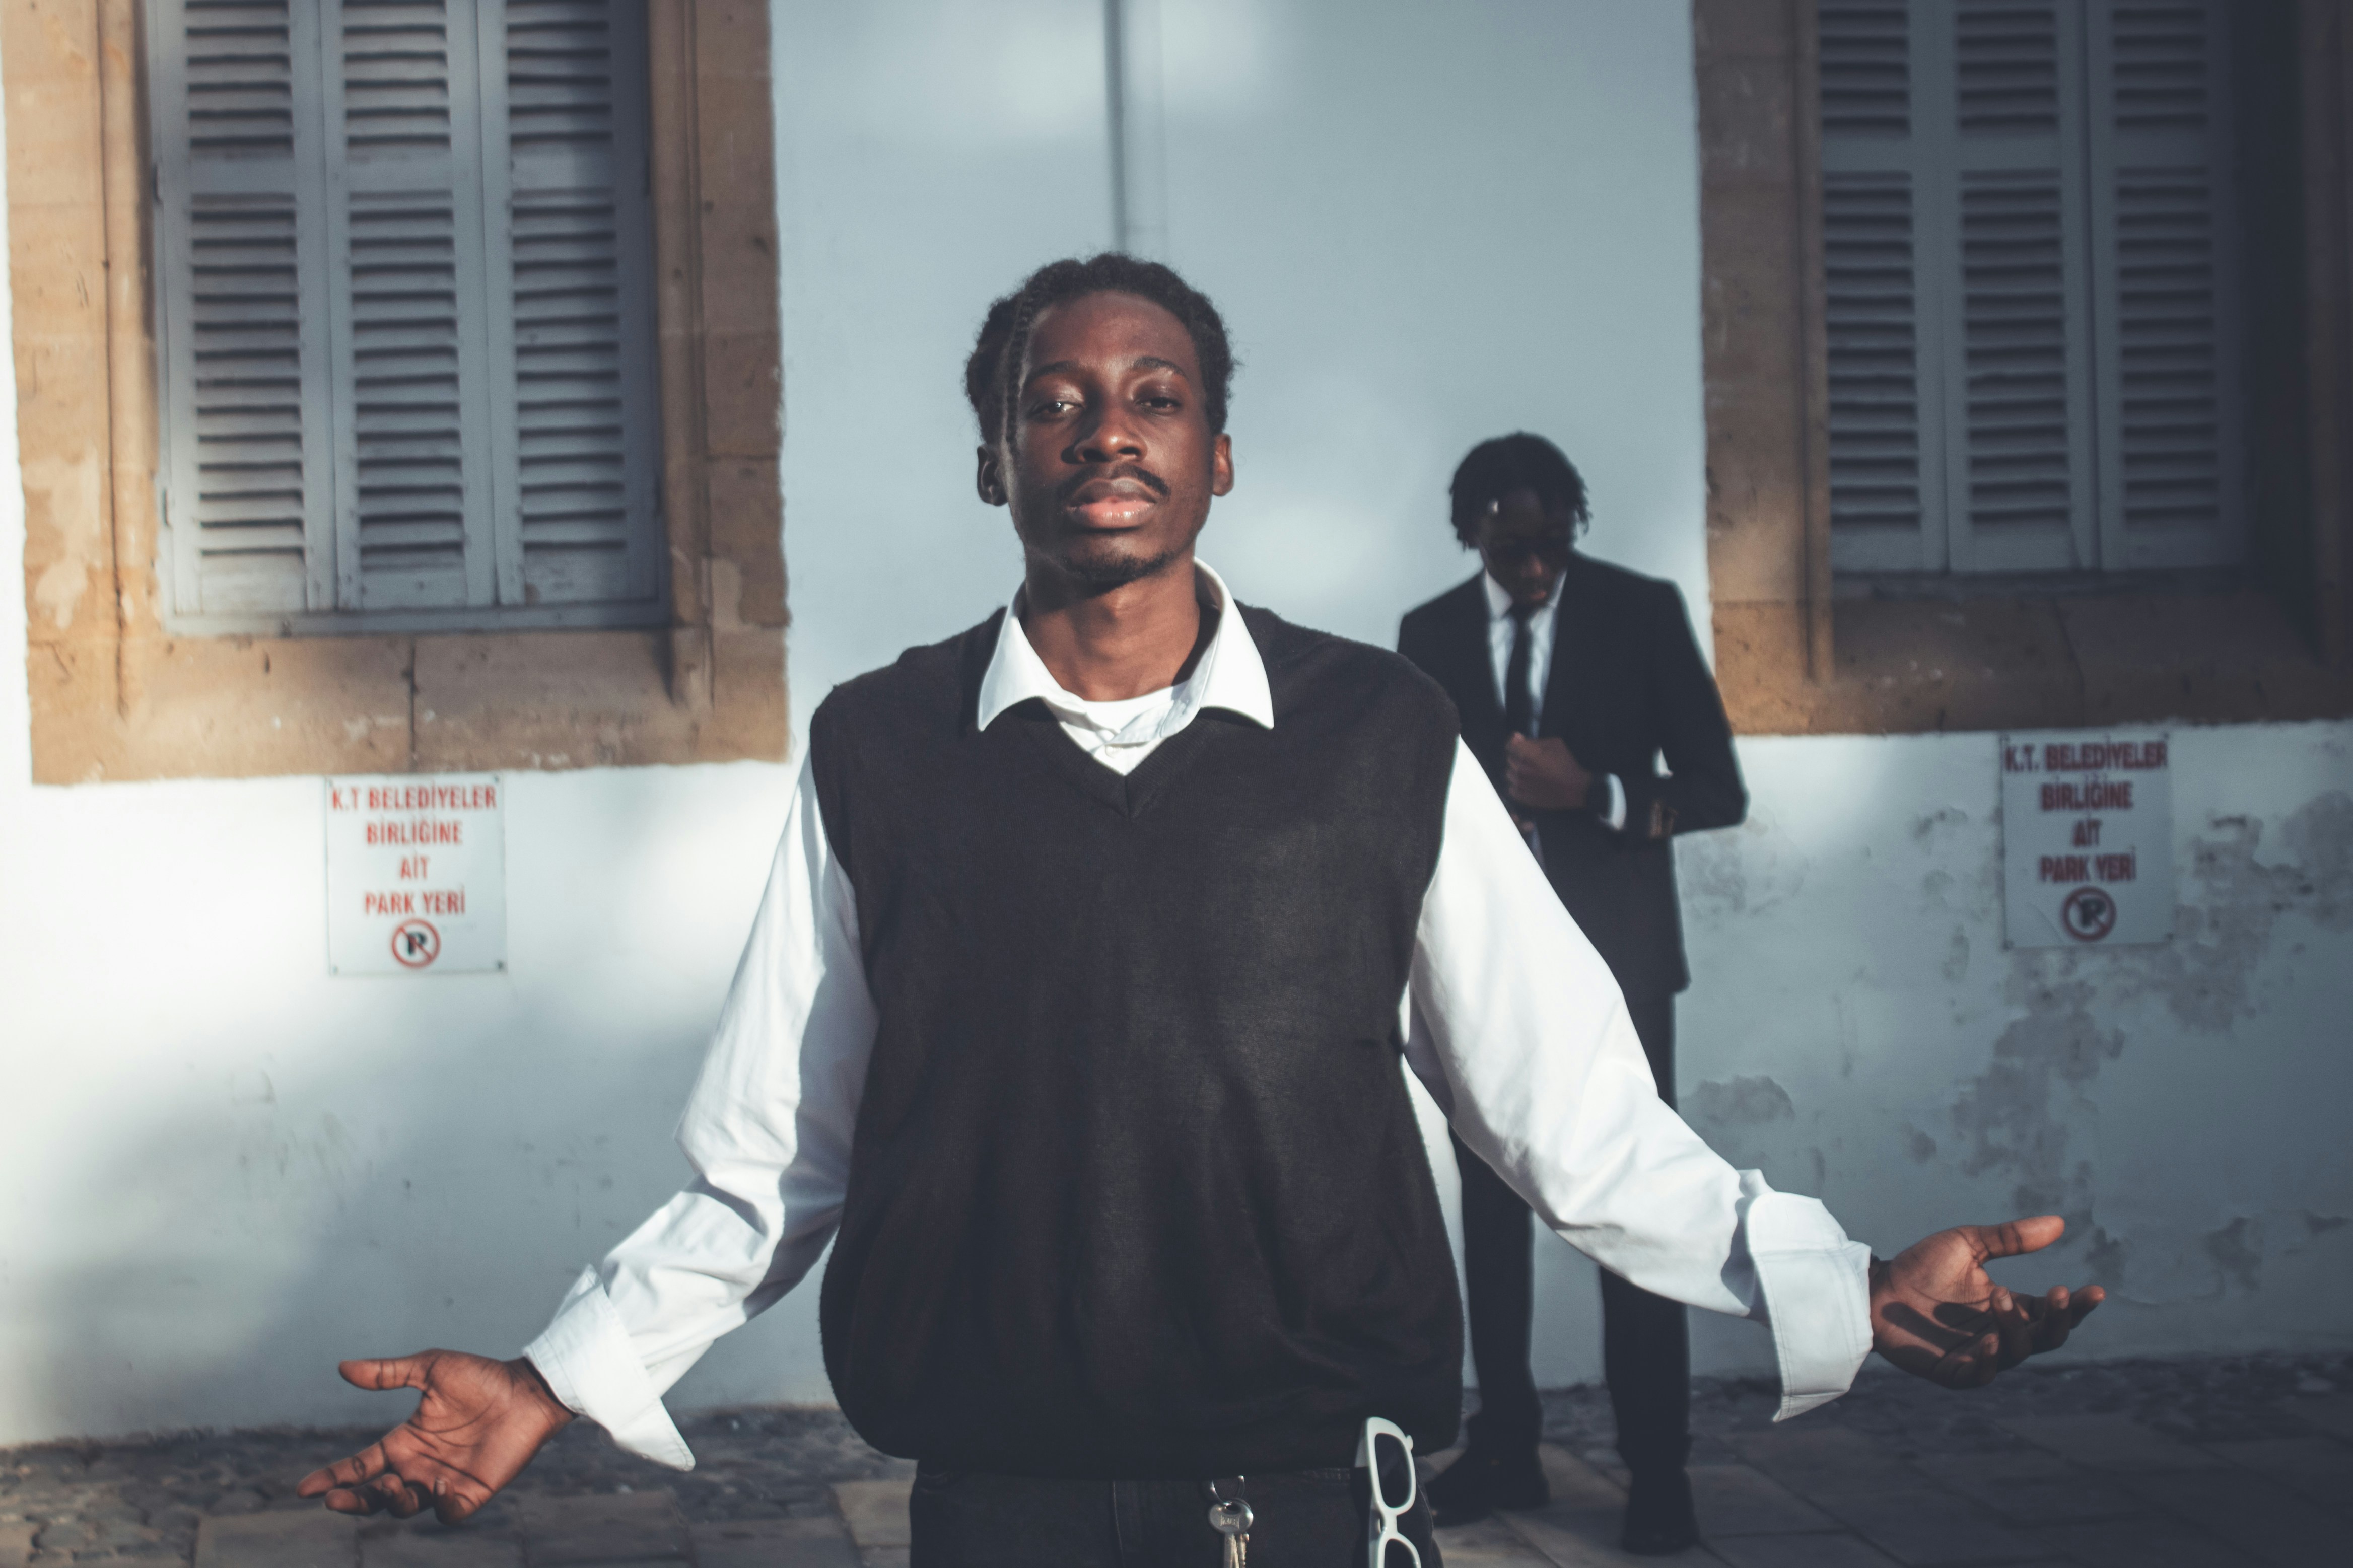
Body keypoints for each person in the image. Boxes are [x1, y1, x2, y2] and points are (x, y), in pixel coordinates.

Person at [296, 255, 2103, 1566]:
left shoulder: (1377, 735)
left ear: (1218, 453)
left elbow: (1575, 1118)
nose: (1107, 428)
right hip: (995, 1499)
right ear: (995, 458)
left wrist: (1846, 1288)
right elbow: (775, 1161)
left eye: (1155, 393)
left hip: (1311, 1494)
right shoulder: (884, 746)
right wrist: (553, 1371)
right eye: (1054, 399)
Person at [1398, 434, 1744, 1550]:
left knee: (1634, 1213)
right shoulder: (1429, 635)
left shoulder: (1640, 613)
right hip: (1480, 974)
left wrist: (1592, 793)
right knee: (1491, 1222)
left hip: (1620, 972)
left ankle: (1659, 1472)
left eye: (1553, 545)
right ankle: (1504, 1447)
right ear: (1473, 539)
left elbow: (1715, 788)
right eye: (1513, 551)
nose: (1536, 569)